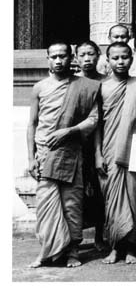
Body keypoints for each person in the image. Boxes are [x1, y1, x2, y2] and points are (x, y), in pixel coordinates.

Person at [27, 41, 100, 268]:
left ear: (72, 58)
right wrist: (30, 158)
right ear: (48, 58)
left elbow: (94, 119)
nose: (59, 61)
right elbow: (32, 124)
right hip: (45, 153)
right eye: (54, 56)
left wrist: (69, 131)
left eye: (63, 56)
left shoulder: (86, 86)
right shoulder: (39, 87)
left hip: (71, 152)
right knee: (46, 204)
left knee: (71, 203)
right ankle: (47, 251)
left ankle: (73, 252)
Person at [94, 42, 136, 264]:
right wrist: (97, 154)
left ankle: (133, 246)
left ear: (131, 58)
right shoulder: (102, 88)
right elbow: (97, 124)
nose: (121, 61)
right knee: (111, 199)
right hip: (110, 146)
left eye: (125, 57)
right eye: (115, 58)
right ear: (108, 60)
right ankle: (115, 246)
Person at [76, 41, 107, 252]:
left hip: (103, 139)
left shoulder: (106, 82)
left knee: (100, 189)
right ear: (76, 58)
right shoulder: (71, 83)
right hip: (77, 142)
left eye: (91, 54)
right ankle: (75, 237)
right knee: (77, 191)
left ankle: (100, 234)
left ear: (99, 56)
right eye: (83, 54)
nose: (87, 58)